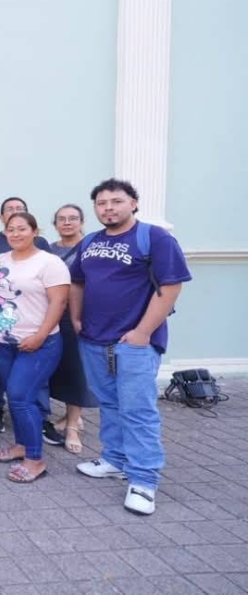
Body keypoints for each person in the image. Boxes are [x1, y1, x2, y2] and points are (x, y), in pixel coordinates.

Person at [71, 179, 191, 515]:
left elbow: (171, 287)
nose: (108, 208)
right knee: (110, 403)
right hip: (94, 339)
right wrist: (76, 319)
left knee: (138, 411)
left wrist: (142, 332)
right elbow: (78, 281)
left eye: (116, 201)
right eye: (102, 203)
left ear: (133, 203)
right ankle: (115, 460)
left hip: (135, 343)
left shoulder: (155, 238)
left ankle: (143, 480)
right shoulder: (90, 241)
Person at [0, 213, 69, 483]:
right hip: (3, 342)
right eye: (11, 229)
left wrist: (40, 336)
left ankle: (35, 459)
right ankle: (21, 445)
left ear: (34, 231)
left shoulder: (49, 263)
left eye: (22, 229)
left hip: (38, 344)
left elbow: (59, 303)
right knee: (14, 396)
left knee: (21, 397)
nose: (16, 234)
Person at [0, 197, 52, 433]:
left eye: (20, 210)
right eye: (9, 210)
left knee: (36, 376)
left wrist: (44, 332)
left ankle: (41, 418)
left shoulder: (45, 253)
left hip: (34, 327)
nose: (16, 233)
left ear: (34, 230)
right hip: (1, 327)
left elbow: (56, 297)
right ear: (1, 219)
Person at [46, 204, 96, 453]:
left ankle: (73, 426)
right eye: (62, 219)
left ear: (82, 221)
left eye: (73, 218)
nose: (67, 223)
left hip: (79, 316)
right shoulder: (49, 250)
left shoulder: (91, 248)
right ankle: (68, 416)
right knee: (60, 370)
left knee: (77, 370)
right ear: (55, 224)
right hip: (51, 316)